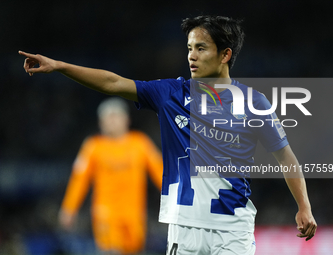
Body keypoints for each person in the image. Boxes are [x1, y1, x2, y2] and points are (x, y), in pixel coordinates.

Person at [19, 15, 317, 255]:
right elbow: (112, 82)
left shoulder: (254, 103)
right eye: (189, 48)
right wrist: (60, 66)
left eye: (201, 48)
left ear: (225, 54)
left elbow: (285, 157)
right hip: (183, 231)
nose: (192, 56)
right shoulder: (170, 93)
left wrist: (304, 206)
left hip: (233, 231)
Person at [58, 97, 163, 255]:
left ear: (126, 119)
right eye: (108, 117)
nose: (112, 121)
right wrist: (69, 208)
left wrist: (179, 200)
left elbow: (161, 173)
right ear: (100, 122)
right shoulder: (93, 146)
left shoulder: (140, 143)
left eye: (116, 116)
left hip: (134, 216)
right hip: (106, 215)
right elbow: (79, 179)